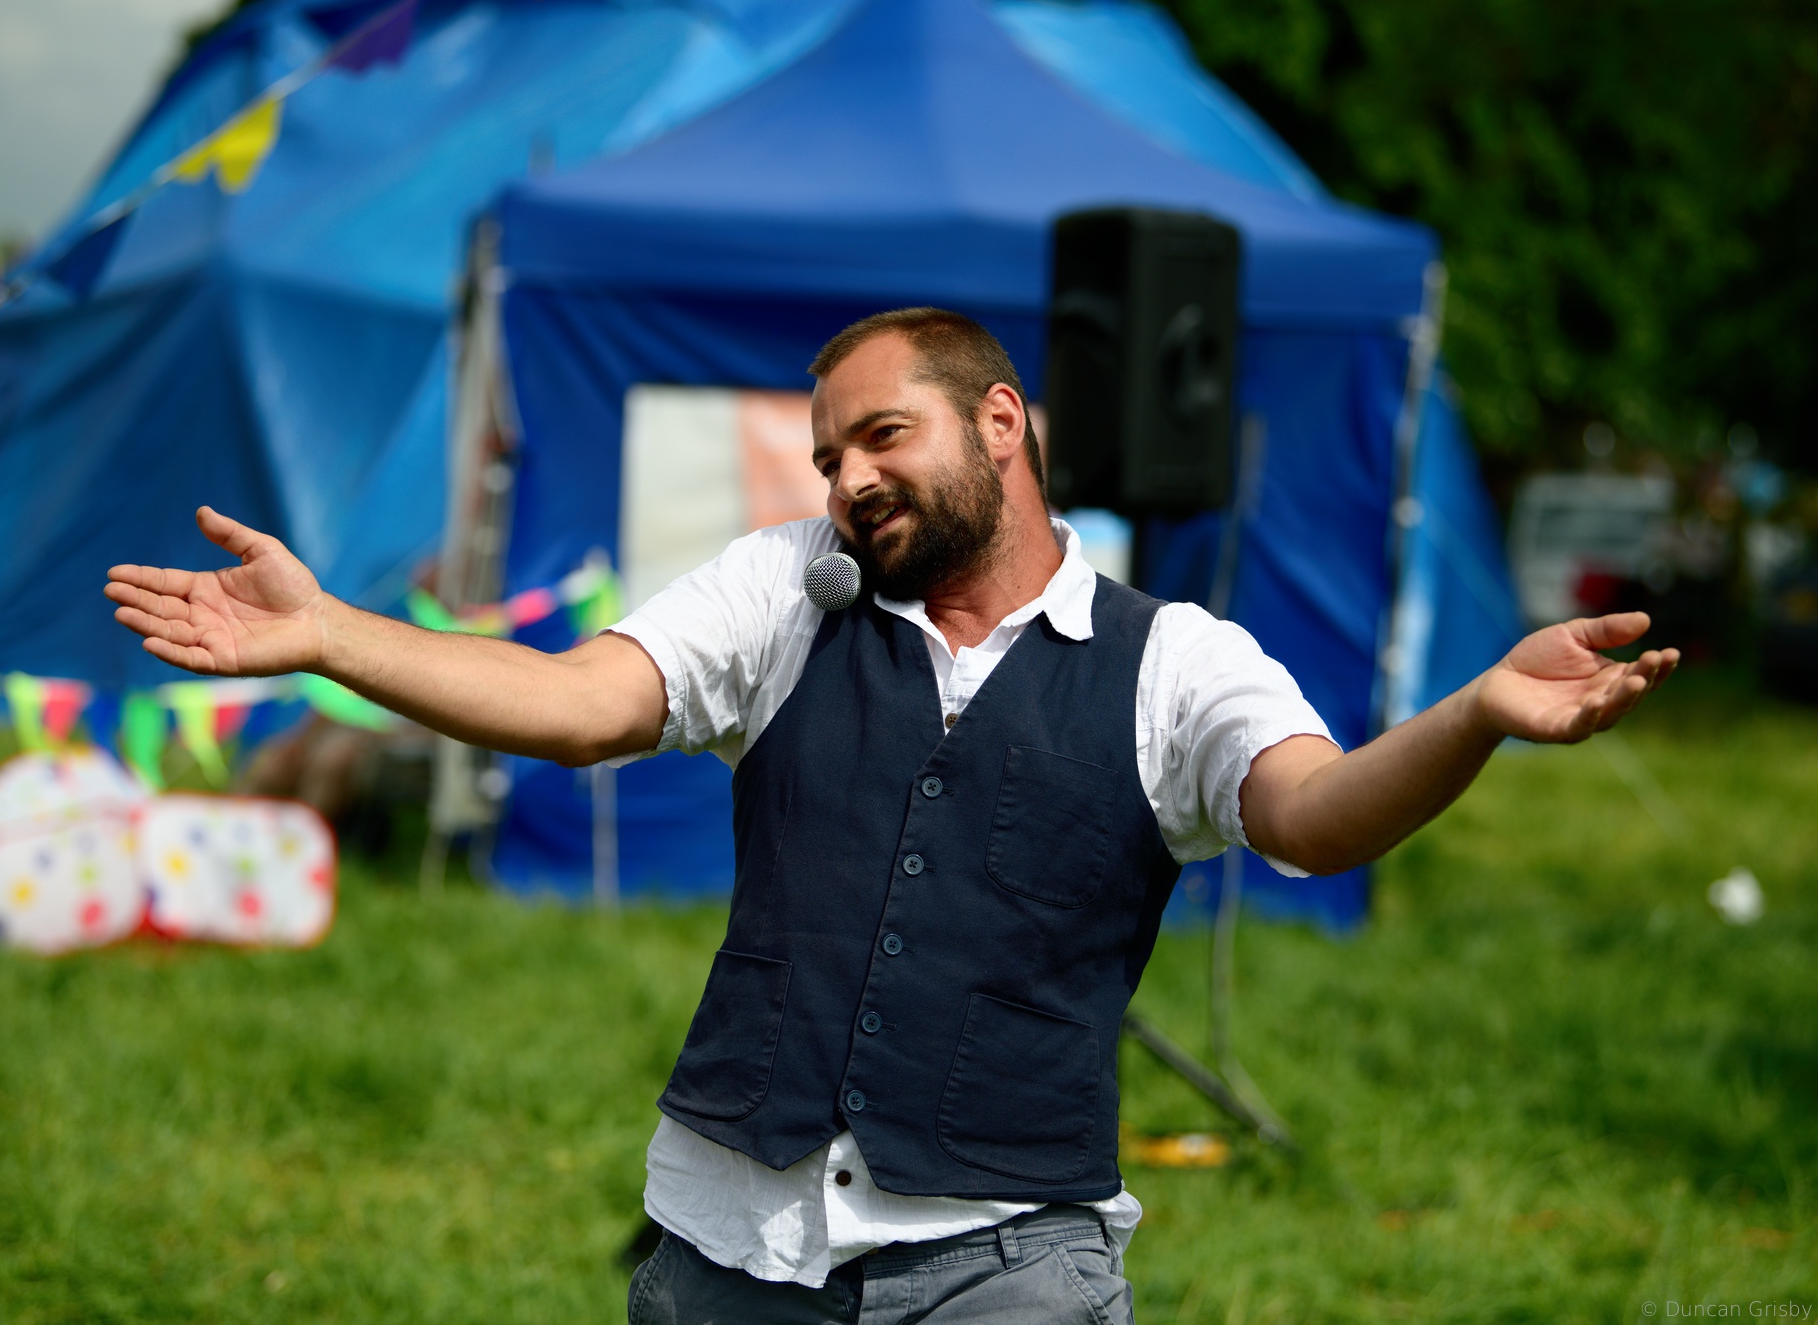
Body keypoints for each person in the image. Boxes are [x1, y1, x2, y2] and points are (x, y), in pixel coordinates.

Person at [106, 308, 1678, 1323]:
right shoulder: (787, 589)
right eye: (827, 455)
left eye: (881, 436)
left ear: (1001, 425)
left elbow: (1316, 818)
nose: (847, 479)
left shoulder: (1178, 660)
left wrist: (1474, 715)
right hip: (726, 1249)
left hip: (1010, 1265)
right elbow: (579, 703)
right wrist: (331, 637)